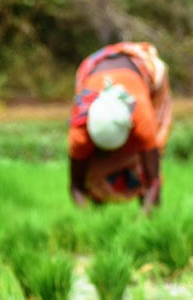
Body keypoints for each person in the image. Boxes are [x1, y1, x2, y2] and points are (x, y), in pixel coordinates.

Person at [68, 42, 172, 213]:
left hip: (141, 71)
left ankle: (146, 207)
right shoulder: (80, 131)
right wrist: (88, 222)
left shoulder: (141, 117)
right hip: (92, 69)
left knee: (146, 162)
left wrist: (144, 226)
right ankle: (99, 210)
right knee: (93, 176)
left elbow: (154, 182)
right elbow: (75, 186)